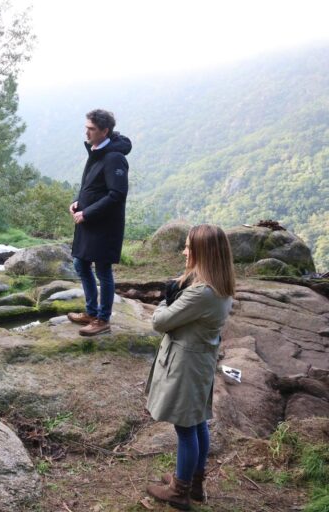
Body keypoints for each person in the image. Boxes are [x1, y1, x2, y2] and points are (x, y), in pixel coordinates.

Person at [145, 224, 236, 510]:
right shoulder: (220, 285)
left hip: (186, 365)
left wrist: (163, 300)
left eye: (188, 247)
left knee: (185, 428)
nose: (184, 251)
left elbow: (160, 322)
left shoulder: (201, 294)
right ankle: (194, 484)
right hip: (200, 362)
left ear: (202, 253)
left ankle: (179, 491)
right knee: (197, 423)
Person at [66, 109, 131, 336]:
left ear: (105, 131)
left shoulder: (114, 157)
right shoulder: (96, 151)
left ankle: (103, 320)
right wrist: (77, 201)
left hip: (104, 225)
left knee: (103, 270)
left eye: (92, 129)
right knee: (80, 264)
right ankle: (91, 312)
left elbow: (117, 195)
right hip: (89, 221)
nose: (87, 132)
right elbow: (90, 185)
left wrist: (88, 213)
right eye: (86, 127)